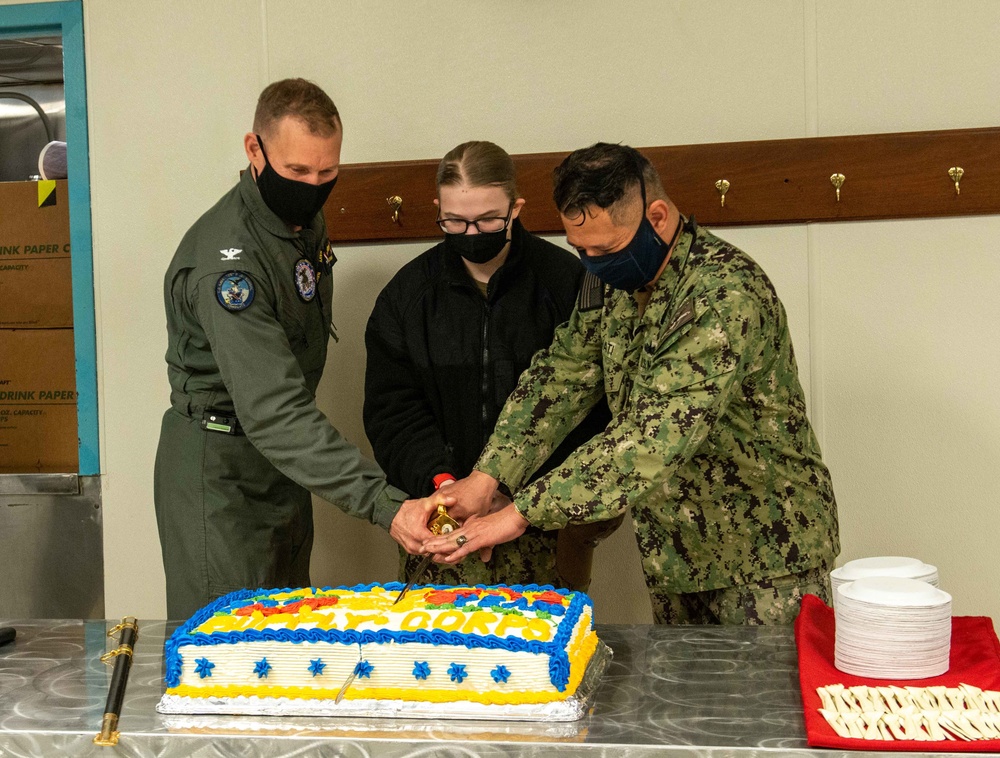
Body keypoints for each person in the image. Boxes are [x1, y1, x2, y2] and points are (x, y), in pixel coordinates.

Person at [415, 142, 840, 625]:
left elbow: (652, 436)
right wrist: (489, 477)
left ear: (656, 217)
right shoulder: (613, 282)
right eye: (582, 250)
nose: (593, 264)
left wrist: (517, 514)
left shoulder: (722, 293)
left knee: (763, 700)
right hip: (677, 555)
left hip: (766, 558)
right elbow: (561, 376)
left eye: (607, 249)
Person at [154, 79, 416, 619]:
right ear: (255, 149)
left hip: (281, 467)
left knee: (286, 641)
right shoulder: (231, 263)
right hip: (221, 471)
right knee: (223, 658)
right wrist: (387, 505)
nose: (313, 186)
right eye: (297, 172)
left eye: (327, 173)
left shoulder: (298, 223)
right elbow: (274, 409)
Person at [363, 141, 615, 590]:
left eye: (487, 220)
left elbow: (591, 407)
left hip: (547, 524)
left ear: (515, 209)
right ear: (438, 209)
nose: (472, 233)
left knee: (551, 652)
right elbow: (392, 411)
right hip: (441, 521)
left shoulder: (567, 283)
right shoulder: (406, 297)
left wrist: (511, 491)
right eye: (456, 221)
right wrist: (445, 487)